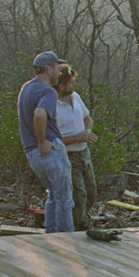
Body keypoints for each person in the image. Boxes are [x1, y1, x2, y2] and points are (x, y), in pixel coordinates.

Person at [17, 51, 74, 233]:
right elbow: (40, 113)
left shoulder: (26, 87)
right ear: (49, 69)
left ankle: (50, 235)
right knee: (64, 199)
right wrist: (42, 141)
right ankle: (69, 242)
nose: (59, 72)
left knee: (53, 196)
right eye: (57, 68)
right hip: (50, 151)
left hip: (32, 155)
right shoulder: (48, 91)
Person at [54, 65, 98, 231]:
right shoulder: (52, 106)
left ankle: (83, 221)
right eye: (71, 82)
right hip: (68, 156)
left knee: (91, 191)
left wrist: (87, 133)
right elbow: (52, 139)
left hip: (84, 153)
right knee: (78, 195)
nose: (75, 85)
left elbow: (88, 118)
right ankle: (79, 228)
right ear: (61, 85)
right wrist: (76, 138)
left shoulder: (76, 97)